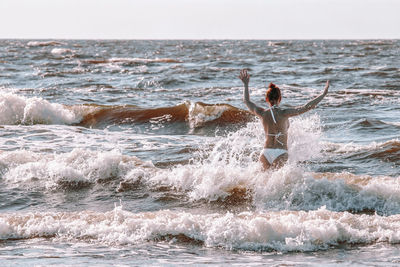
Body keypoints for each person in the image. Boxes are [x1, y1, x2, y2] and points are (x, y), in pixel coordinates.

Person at [238, 69, 329, 170]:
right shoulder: (285, 113)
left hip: (266, 152)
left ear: (267, 99)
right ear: (279, 98)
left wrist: (245, 84)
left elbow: (246, 101)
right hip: (280, 152)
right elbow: (306, 107)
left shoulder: (262, 113)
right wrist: (323, 95)